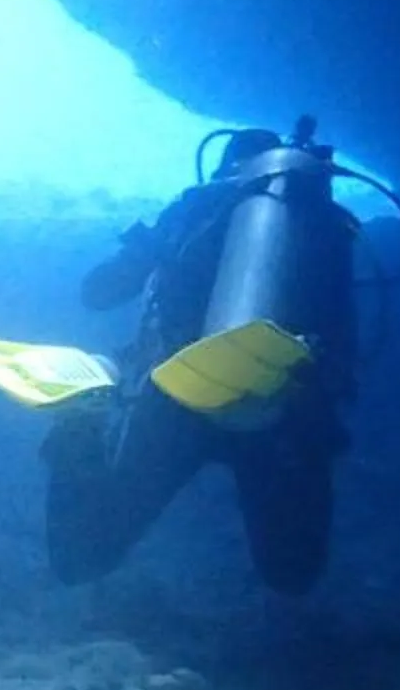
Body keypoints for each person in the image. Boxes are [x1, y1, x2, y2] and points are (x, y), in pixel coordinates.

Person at [39, 120, 362, 595]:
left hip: (178, 394)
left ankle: (80, 424)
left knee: (82, 558)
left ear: (225, 168)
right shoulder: (324, 224)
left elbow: (98, 293)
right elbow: (343, 341)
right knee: (294, 574)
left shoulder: (198, 206)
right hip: (276, 405)